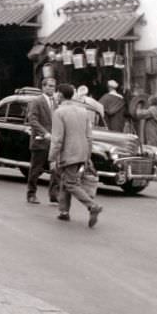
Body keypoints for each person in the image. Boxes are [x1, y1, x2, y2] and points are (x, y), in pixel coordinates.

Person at [48, 83, 103, 228]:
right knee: (65, 180)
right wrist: (87, 155)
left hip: (68, 153)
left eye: (56, 93)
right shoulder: (83, 111)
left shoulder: (59, 113)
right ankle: (64, 211)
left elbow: (57, 139)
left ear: (60, 95)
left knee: (70, 183)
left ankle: (92, 206)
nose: (55, 96)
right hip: (82, 151)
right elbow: (89, 136)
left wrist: (52, 158)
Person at [26, 77, 56, 204]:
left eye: (53, 86)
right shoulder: (36, 101)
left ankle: (54, 195)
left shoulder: (56, 102)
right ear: (43, 87)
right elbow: (33, 120)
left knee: (55, 169)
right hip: (41, 140)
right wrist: (45, 133)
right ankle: (31, 193)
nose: (51, 88)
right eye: (49, 86)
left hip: (54, 141)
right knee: (36, 169)